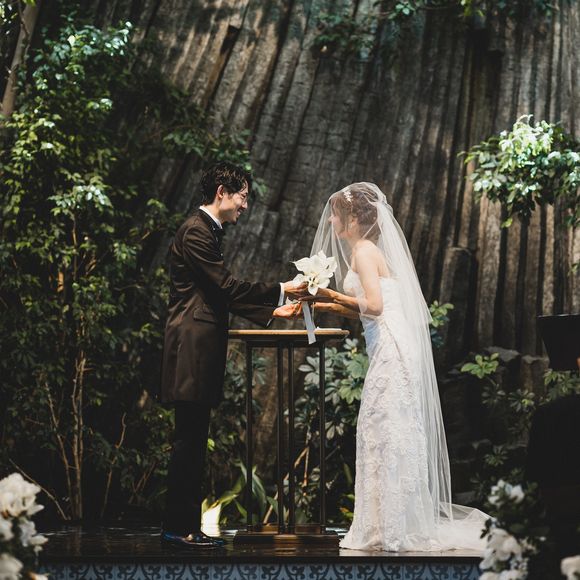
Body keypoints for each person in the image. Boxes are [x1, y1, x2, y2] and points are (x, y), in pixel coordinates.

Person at [301, 182, 488, 551]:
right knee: (385, 427)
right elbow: (365, 307)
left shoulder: (363, 252)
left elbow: (374, 306)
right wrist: (321, 304)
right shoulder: (366, 250)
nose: (332, 221)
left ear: (352, 218)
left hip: (391, 347)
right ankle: (386, 523)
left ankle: (392, 527)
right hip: (389, 342)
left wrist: (327, 293)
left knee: (384, 427)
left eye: (336, 215)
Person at [160, 161, 304, 549]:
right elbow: (225, 286)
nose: (245, 205)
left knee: (193, 442)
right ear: (221, 192)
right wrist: (282, 289)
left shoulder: (207, 231)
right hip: (190, 351)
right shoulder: (196, 231)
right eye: (242, 196)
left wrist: (274, 311)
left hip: (197, 351)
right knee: (189, 443)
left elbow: (217, 293)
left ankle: (183, 529)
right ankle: (179, 531)